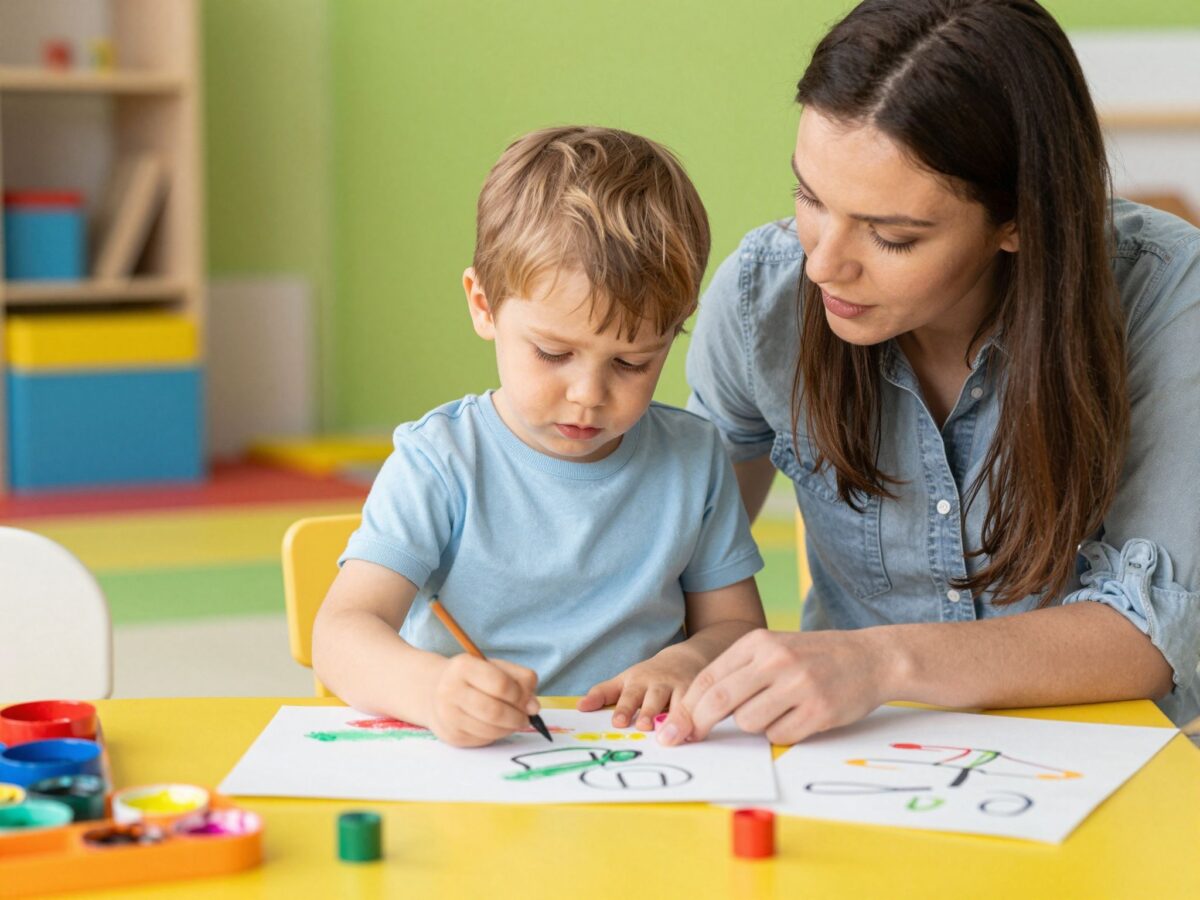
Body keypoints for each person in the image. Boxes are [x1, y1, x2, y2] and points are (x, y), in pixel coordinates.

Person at [659, 0, 1200, 748]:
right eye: (810, 198)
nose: (822, 264)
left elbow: (1155, 631)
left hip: (1096, 769)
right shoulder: (764, 299)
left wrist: (879, 663)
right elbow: (678, 563)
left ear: (1018, 221)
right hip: (848, 767)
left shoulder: (1166, 293)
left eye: (891, 236)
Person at [313, 126, 767, 748]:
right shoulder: (441, 461)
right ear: (483, 305)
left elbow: (739, 627)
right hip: (478, 761)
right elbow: (341, 633)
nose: (588, 393)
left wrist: (690, 661)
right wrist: (433, 691)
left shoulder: (694, 458)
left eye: (632, 363)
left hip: (637, 761)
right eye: (554, 353)